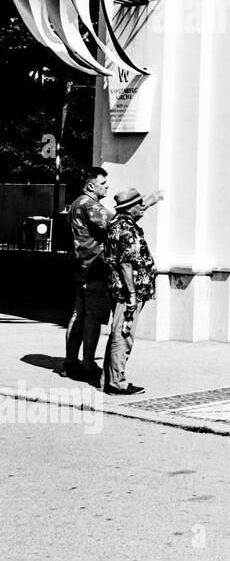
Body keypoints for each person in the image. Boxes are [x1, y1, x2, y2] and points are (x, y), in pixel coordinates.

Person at [102, 187, 163, 396]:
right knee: (123, 334)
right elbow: (126, 264)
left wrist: (152, 199)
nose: (143, 209)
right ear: (130, 208)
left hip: (119, 290)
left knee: (118, 333)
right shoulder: (127, 230)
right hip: (127, 293)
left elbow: (140, 205)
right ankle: (117, 383)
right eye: (140, 206)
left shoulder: (118, 223)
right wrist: (132, 297)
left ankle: (108, 378)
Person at [63, 167, 114, 384]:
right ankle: (87, 365)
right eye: (103, 183)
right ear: (91, 185)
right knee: (92, 319)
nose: (107, 187)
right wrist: (144, 204)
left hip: (79, 268)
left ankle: (70, 362)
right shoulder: (90, 204)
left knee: (78, 315)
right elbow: (114, 223)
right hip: (95, 268)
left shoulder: (76, 203)